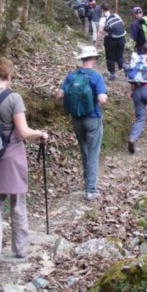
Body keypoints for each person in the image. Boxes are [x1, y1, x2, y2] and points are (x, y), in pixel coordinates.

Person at [0, 58, 49, 271]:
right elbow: (24, 132)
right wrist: (41, 134)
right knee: (18, 204)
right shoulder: (13, 98)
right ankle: (21, 248)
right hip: (12, 155)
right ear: (9, 76)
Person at [56, 46, 107, 201]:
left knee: (84, 150)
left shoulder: (72, 76)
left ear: (82, 59)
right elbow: (102, 99)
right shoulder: (96, 77)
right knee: (93, 152)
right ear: (93, 59)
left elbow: (58, 95)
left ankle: (87, 183)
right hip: (93, 118)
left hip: (76, 119)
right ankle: (90, 190)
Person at [96, 3, 127, 81]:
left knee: (110, 57)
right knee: (119, 56)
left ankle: (112, 74)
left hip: (110, 40)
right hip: (121, 38)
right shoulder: (116, 15)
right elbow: (123, 24)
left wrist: (97, 41)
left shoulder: (103, 19)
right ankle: (126, 67)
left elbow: (100, 31)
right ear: (109, 9)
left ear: (102, 10)